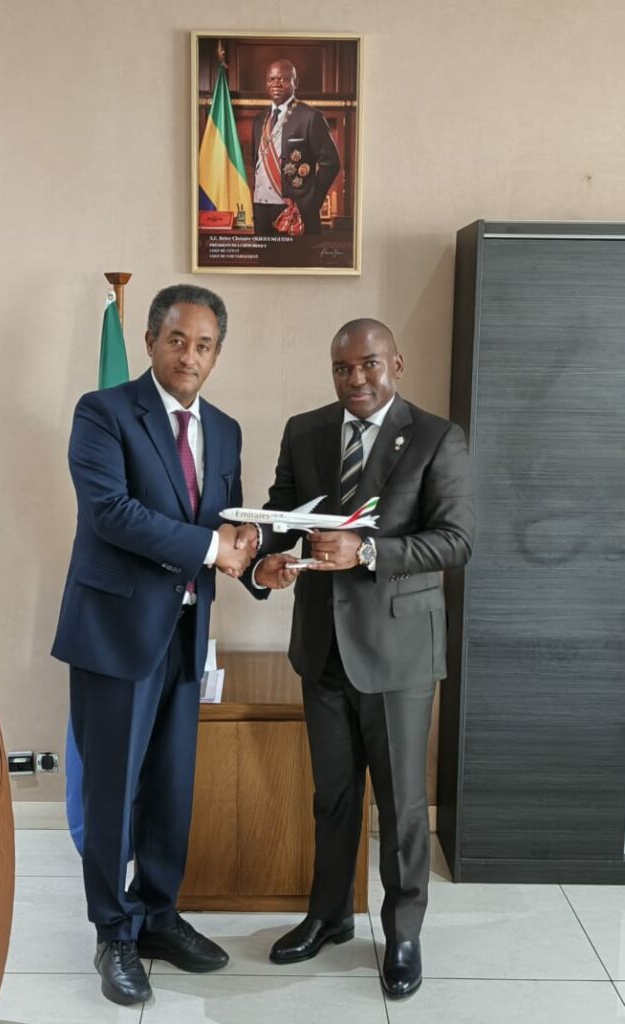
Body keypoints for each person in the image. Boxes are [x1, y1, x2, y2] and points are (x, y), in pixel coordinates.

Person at [250, 318, 475, 999]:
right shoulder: (305, 430)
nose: (355, 379)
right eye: (342, 368)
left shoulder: (435, 437)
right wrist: (264, 558)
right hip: (321, 647)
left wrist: (369, 551)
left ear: (395, 365)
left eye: (369, 364)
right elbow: (282, 512)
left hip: (398, 653)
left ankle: (402, 932)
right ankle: (328, 916)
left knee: (402, 804)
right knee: (334, 797)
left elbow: (456, 540)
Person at [51, 284, 255, 1007]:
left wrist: (259, 561)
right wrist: (215, 548)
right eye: (176, 340)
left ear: (216, 354)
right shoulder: (102, 412)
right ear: (148, 341)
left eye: (203, 345)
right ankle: (113, 932)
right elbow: (112, 513)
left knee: (171, 786)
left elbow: (227, 523)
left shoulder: (225, 428)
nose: (188, 356)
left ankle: (158, 917)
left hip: (186, 634)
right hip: (115, 634)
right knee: (113, 790)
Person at [251, 58, 341, 236]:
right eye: (271, 79)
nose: (276, 84)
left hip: (293, 209)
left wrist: (311, 201)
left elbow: (331, 163)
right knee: (264, 255)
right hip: (261, 208)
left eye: (283, 79)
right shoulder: (259, 120)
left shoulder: (310, 117)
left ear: (295, 83)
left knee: (295, 254)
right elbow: (256, 165)